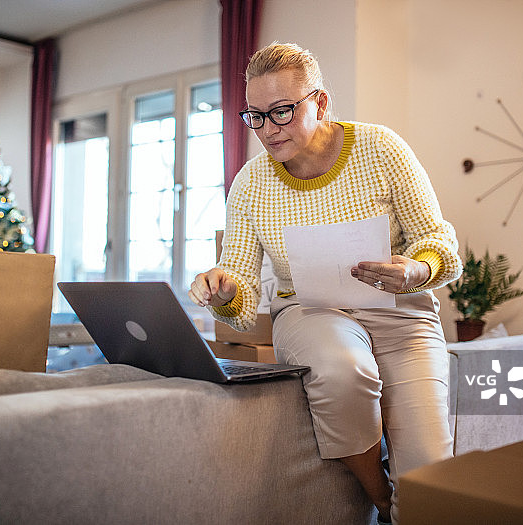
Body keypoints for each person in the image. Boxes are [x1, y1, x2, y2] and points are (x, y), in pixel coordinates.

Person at [189, 42, 462, 525]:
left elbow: (438, 241)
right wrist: (226, 291)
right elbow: (242, 286)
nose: (268, 130)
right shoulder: (250, 185)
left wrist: (416, 270)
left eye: (282, 111)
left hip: (402, 315)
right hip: (311, 313)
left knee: (429, 479)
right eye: (255, 116)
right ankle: (380, 498)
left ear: (319, 103)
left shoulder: (381, 148)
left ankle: (406, 507)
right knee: (340, 368)